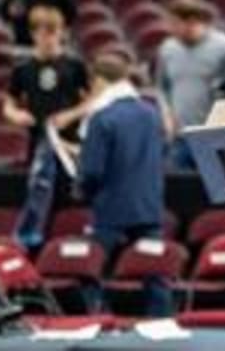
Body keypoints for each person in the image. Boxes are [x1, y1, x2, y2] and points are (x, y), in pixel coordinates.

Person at [77, 52, 170, 316]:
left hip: (110, 209)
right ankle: (163, 329)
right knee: (155, 274)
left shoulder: (102, 118)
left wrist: (83, 190)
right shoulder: (152, 114)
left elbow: (92, 170)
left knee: (90, 271)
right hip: (149, 207)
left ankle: (98, 324)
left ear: (98, 81)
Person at [3, 6, 89, 249]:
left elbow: (91, 102)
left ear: (62, 33)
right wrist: (16, 115)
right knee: (39, 194)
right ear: (33, 34)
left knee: (71, 197)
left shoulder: (74, 66)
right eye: (43, 33)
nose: (49, 38)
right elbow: (8, 104)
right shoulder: (23, 69)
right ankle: (33, 241)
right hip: (39, 141)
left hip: (71, 144)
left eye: (54, 32)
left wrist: (70, 115)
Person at [155, 0, 225, 170]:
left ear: (191, 21)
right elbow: (162, 87)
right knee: (182, 193)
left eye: (174, 24)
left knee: (216, 195)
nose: (170, 29)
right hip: (181, 139)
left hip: (215, 139)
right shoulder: (167, 49)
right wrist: (167, 113)